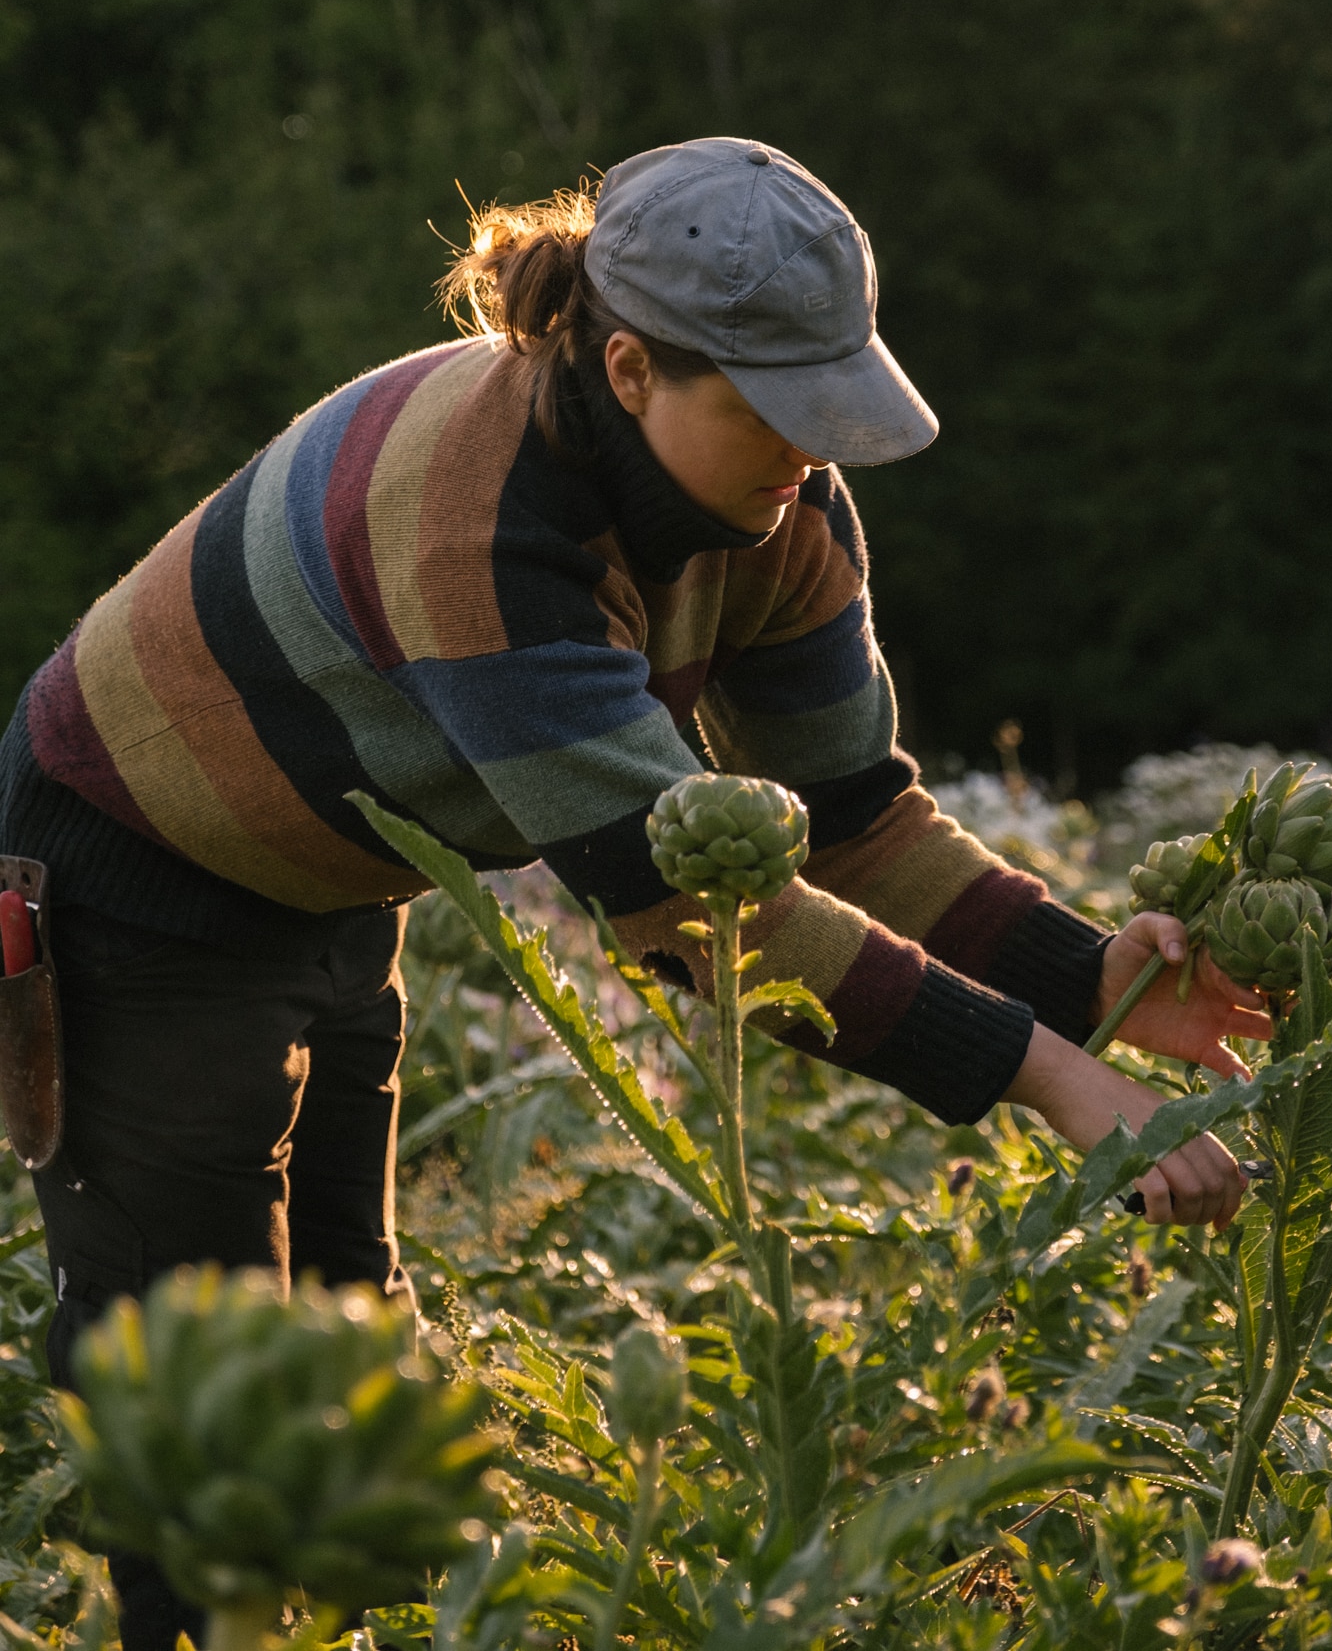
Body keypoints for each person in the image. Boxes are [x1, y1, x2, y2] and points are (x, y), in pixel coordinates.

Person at [0, 136, 1267, 1648]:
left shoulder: (785, 514)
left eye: (831, 407)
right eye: (767, 410)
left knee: (357, 1366)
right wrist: (1053, 1081)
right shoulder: (484, 528)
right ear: (625, 365)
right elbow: (691, 916)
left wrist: (1099, 984)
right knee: (199, 1401)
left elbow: (858, 818)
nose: (810, 452)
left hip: (347, 878)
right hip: (135, 877)